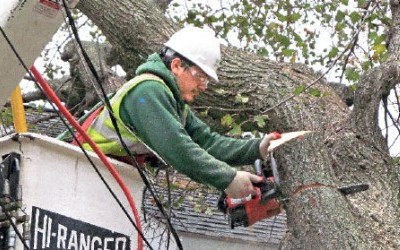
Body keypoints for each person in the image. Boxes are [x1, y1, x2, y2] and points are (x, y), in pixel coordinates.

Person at [77, 26, 279, 199]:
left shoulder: (174, 103)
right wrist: (227, 178)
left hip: (106, 174)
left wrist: (256, 149)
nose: (203, 86)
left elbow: (208, 142)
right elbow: (177, 147)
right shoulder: (147, 91)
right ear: (176, 66)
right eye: (200, 76)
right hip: (80, 168)